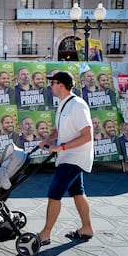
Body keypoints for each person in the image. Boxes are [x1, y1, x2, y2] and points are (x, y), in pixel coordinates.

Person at [38, 71, 94, 246]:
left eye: (52, 83)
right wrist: (48, 139)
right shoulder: (63, 103)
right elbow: (59, 128)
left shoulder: (77, 105)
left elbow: (87, 135)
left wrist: (60, 147)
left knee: (54, 193)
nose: (50, 86)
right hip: (68, 156)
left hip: (74, 157)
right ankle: (87, 228)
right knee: (78, 192)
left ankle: (45, 233)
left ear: (61, 84)